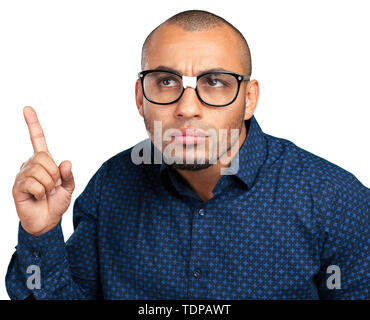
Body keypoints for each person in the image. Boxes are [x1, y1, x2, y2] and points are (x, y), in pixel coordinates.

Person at [6, 9, 369, 300]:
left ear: (249, 99)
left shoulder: (335, 201)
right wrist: (40, 232)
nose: (187, 108)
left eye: (214, 82)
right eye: (166, 81)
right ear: (139, 97)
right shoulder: (111, 185)